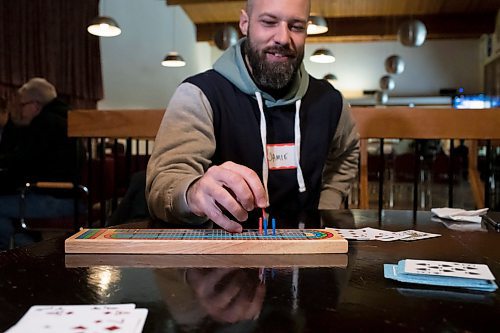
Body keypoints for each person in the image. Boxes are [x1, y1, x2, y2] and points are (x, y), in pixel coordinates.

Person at [146, 0, 359, 232]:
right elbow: (163, 183)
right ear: (245, 23)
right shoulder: (199, 94)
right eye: (269, 22)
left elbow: (347, 153)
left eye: (296, 26)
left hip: (308, 252)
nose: (283, 38)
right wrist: (193, 192)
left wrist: (327, 205)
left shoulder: (330, 102)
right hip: (221, 253)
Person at [0, 78, 80, 250]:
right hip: (72, 196)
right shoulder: (68, 118)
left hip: (55, 198)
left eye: (22, 105)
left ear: (35, 105)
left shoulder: (45, 123)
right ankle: (27, 253)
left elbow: (22, 165)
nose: (21, 111)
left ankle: (11, 259)